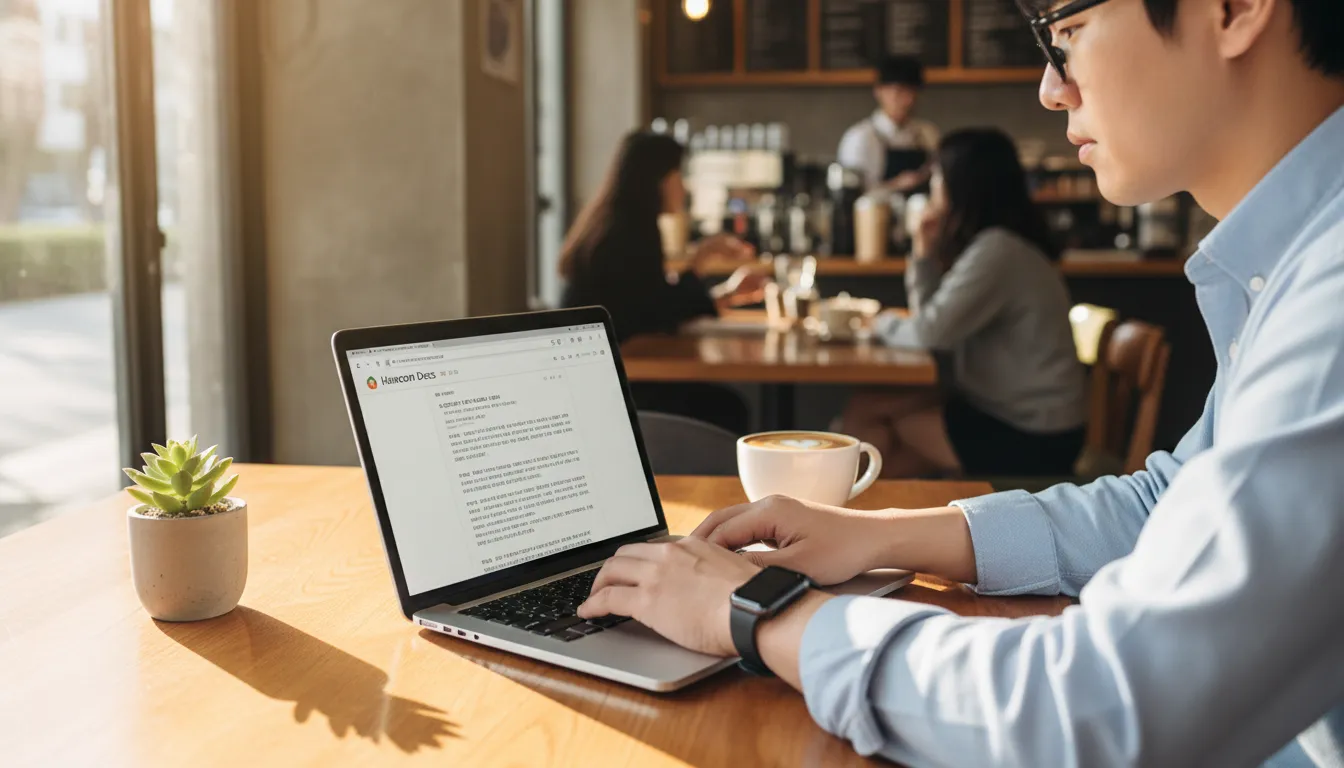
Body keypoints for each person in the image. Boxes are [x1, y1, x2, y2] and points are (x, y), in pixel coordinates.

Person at [578, 0, 1344, 764]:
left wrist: (757, 614)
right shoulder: (1293, 266)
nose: (1050, 89)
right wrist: (877, 534)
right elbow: (1162, 503)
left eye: (1067, 33)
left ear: (1234, 9)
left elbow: (1104, 708)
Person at [840, 127, 1087, 478]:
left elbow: (929, 333)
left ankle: (858, 503)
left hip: (1034, 436)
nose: (932, 186)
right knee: (874, 418)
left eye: (938, 175)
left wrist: (877, 322)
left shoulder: (997, 251)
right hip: (1019, 415)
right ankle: (873, 503)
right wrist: (923, 254)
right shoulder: (999, 246)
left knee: (871, 416)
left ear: (962, 183)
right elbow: (931, 322)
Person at [560, 131, 767, 434]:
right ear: (657, 179)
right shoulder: (629, 232)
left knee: (727, 405)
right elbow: (660, 312)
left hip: (593, 376)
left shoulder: (615, 222)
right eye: (678, 175)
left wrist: (721, 288)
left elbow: (651, 303)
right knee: (728, 409)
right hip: (609, 385)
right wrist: (700, 262)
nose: (684, 187)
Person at [837, 55, 941, 194]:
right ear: (879, 91)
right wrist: (895, 185)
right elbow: (850, 193)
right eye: (899, 92)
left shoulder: (928, 133)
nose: (907, 100)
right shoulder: (860, 137)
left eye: (912, 92)